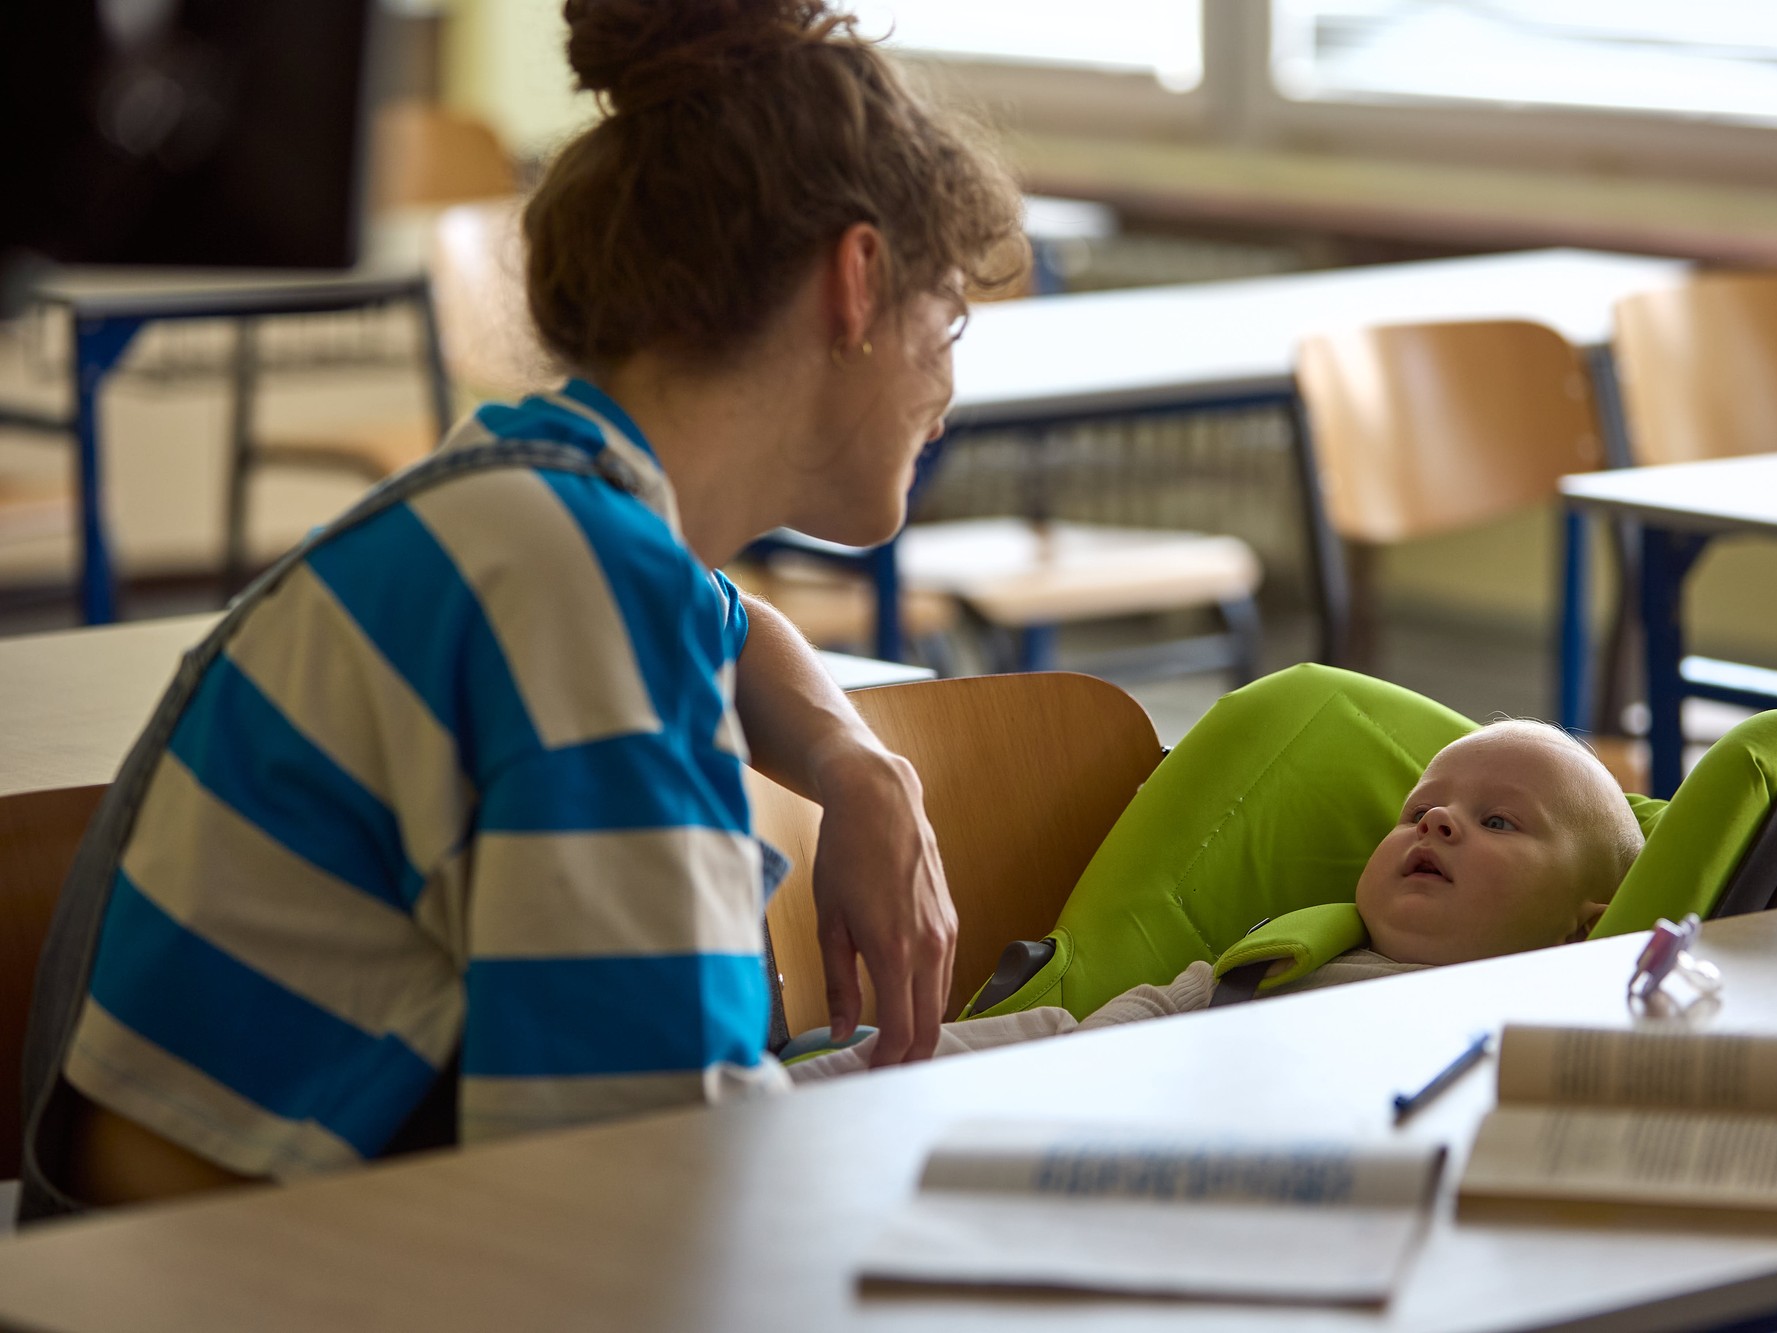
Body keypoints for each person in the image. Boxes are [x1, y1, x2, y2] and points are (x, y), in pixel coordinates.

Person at [17, 0, 1023, 1219]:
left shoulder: (539, 505)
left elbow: (736, 626)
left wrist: (856, 761)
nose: (952, 386)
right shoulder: (577, 587)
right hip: (249, 1288)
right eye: (950, 317)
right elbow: (647, 1198)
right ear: (857, 282)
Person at [792, 720, 1645, 1076]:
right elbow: (1162, 1008)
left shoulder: (1553, 1028)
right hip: (1100, 1086)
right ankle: (740, 1106)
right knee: (956, 1055)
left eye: (1499, 821)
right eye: (1420, 810)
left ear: (1586, 932)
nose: (1440, 825)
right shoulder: (1288, 962)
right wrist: (1084, 1070)